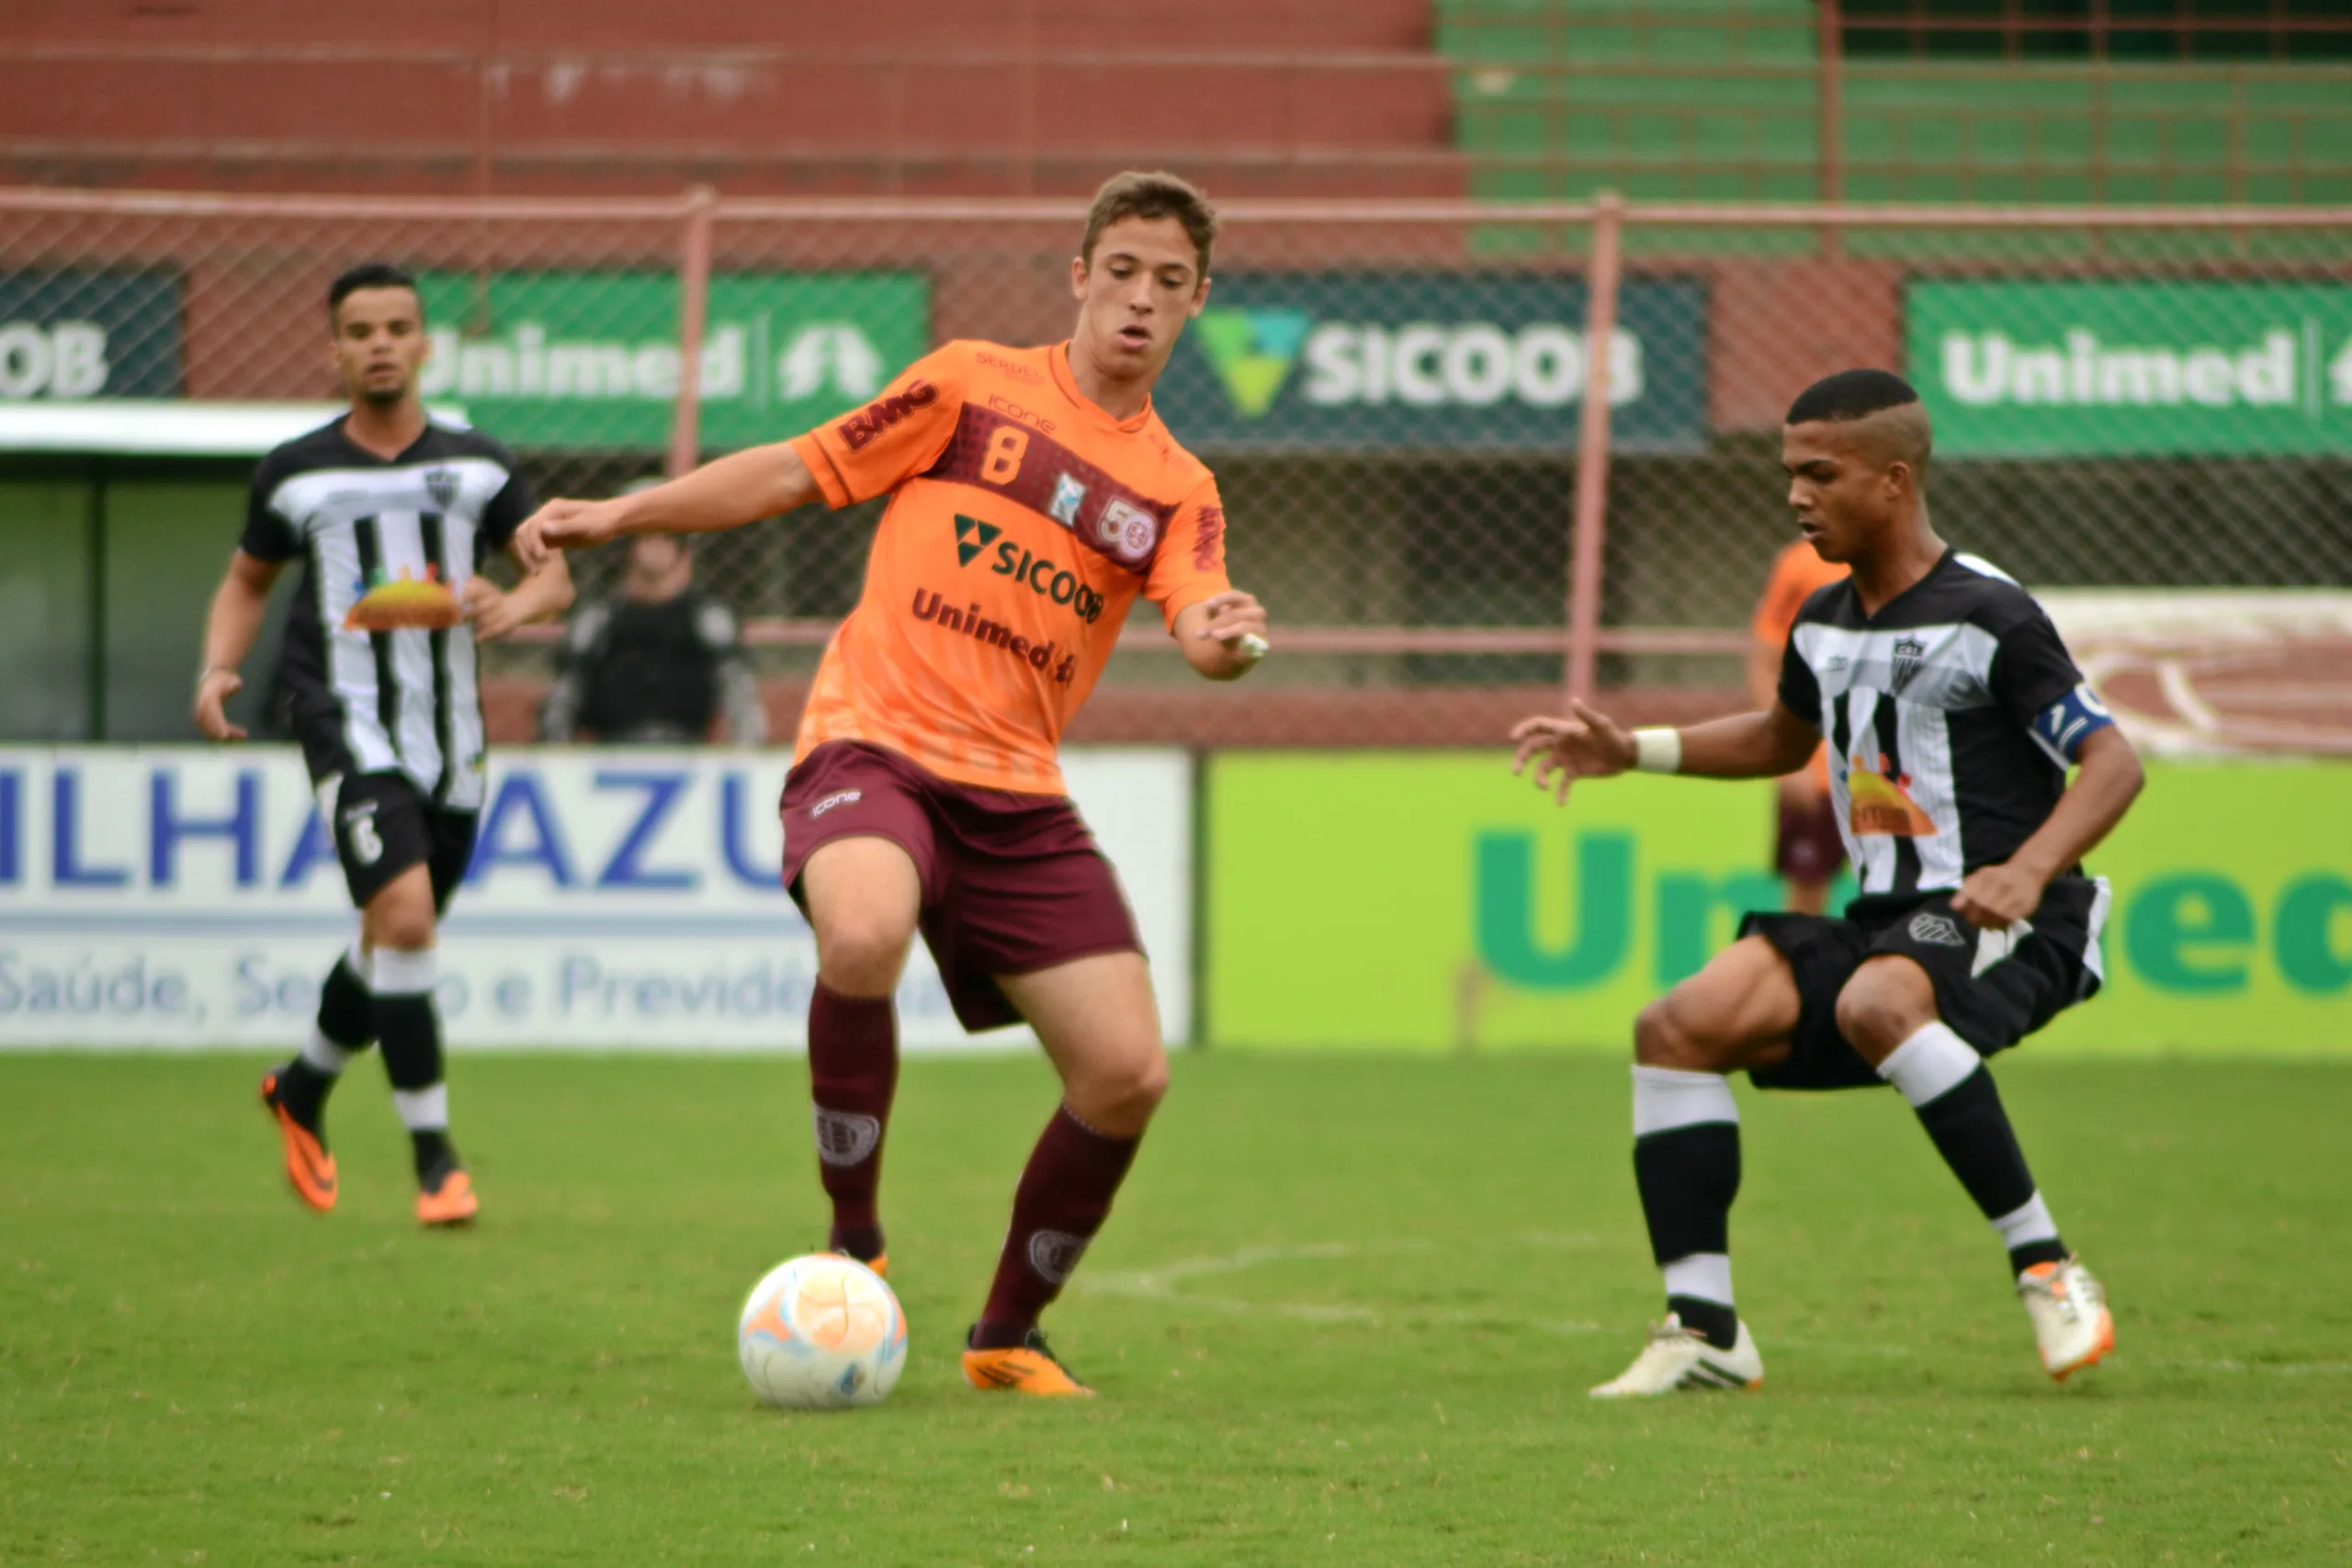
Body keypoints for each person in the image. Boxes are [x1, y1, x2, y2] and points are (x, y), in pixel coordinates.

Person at [514, 170, 1268, 1396]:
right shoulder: (971, 383)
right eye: (1121, 271)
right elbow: (795, 470)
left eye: (1169, 283)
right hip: (876, 736)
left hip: (1017, 792)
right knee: (862, 926)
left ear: (1196, 305)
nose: (1140, 299)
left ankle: (1007, 1333)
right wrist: (621, 515)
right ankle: (853, 1236)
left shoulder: (1179, 485)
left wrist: (1226, 637)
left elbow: (1200, 624)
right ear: (1079, 277)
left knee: (1129, 1069)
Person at [1510, 369, 2143, 1396]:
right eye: (1788, 473)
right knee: (1676, 1026)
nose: (1796, 494)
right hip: (1888, 920)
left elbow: (2113, 763)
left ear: (1892, 481)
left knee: (1878, 998)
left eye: (1819, 474)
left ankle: (2047, 1267)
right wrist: (1631, 749)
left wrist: (2028, 873)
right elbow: (1777, 736)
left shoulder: (1990, 614)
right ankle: (1705, 1330)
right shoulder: (1820, 619)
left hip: (2014, 915)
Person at [195, 262, 574, 1227]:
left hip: (452, 746)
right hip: (341, 722)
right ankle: (435, 1159)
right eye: (358, 330)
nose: (378, 344)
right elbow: (247, 581)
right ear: (334, 349)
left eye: (396, 328)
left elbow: (553, 581)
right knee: (404, 918)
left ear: (422, 344)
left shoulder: (479, 466)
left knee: (391, 940)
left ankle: (302, 1088)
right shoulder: (295, 471)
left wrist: (514, 601)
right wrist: (215, 670)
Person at [539, 523, 766, 745]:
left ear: (681, 549)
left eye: (667, 539)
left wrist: (745, 755)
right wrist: (557, 754)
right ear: (627, 547)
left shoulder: (710, 618)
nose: (657, 548)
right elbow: (563, 697)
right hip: (611, 752)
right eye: (647, 539)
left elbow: (740, 695)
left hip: (689, 751)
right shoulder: (596, 619)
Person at [1751, 540, 1849, 914]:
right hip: (1820, 770)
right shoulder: (1801, 565)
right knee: (1805, 907)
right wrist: (1786, 756)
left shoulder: (1918, 569)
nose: (1803, 498)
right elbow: (1765, 660)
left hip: (1895, 774)